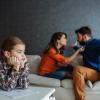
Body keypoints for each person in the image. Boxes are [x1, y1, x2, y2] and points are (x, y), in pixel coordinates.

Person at [72, 26, 100, 100]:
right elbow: (83, 52)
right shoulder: (86, 46)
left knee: (78, 69)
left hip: (97, 72)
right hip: (89, 71)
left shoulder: (96, 42)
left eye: (78, 37)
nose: (77, 39)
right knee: (69, 69)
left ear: (85, 36)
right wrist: (75, 47)